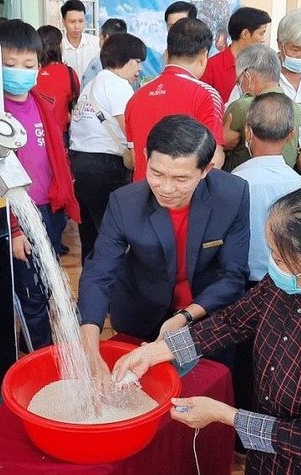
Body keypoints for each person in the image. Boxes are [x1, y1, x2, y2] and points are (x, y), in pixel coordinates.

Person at [113, 183, 301, 474]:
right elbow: (233, 321)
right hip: (265, 456)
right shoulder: (289, 283)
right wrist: (158, 351)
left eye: (279, 259)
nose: (272, 267)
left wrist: (226, 416)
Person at [78, 115, 250, 377]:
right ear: (146, 156)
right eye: (156, 173)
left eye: (181, 179)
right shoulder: (125, 203)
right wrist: (89, 347)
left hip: (204, 314)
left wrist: (185, 317)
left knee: (205, 385)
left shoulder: (232, 195)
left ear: (206, 169)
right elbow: (99, 272)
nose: (167, 188)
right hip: (141, 313)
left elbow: (233, 274)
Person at [0, 19, 80, 350]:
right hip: (18, 216)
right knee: (30, 294)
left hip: (49, 210)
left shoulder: (42, 104)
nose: (20, 71)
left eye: (28, 64)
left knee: (49, 287)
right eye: (9, 64)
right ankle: (38, 355)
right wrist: (14, 229)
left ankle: (53, 349)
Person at [69, 33, 145, 263]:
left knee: (90, 238)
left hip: (80, 165)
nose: (139, 69)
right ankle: (113, 293)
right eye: (137, 62)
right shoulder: (119, 86)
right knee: (113, 236)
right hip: (106, 169)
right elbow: (129, 130)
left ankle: (90, 291)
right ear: (125, 59)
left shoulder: (92, 84)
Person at [125, 17, 225, 181]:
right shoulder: (205, 94)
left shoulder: (136, 97)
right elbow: (214, 158)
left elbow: (135, 158)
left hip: (143, 197)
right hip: (183, 199)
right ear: (203, 56)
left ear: (167, 53)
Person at [233, 92, 301, 284]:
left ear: (248, 132)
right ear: (291, 134)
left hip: (241, 282)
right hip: (284, 282)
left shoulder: (235, 181)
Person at [222, 44, 301, 171]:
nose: (239, 86)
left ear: (247, 77)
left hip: (240, 184)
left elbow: (222, 148)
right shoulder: (296, 109)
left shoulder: (242, 107)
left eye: (238, 81)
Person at [200, 7, 271, 104]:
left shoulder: (263, 64)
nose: (263, 39)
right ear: (245, 34)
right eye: (261, 33)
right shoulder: (212, 66)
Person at [35, 25, 80, 140]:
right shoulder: (68, 73)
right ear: (59, 46)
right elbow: (74, 101)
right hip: (60, 134)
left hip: (35, 132)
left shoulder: (31, 72)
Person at [80, 18, 127, 87]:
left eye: (100, 38)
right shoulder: (130, 61)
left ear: (106, 38)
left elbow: (86, 87)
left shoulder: (98, 61)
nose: (99, 41)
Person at [59, 0, 100, 78]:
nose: (77, 26)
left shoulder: (96, 43)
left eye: (81, 21)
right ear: (63, 22)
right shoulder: (59, 47)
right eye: (72, 22)